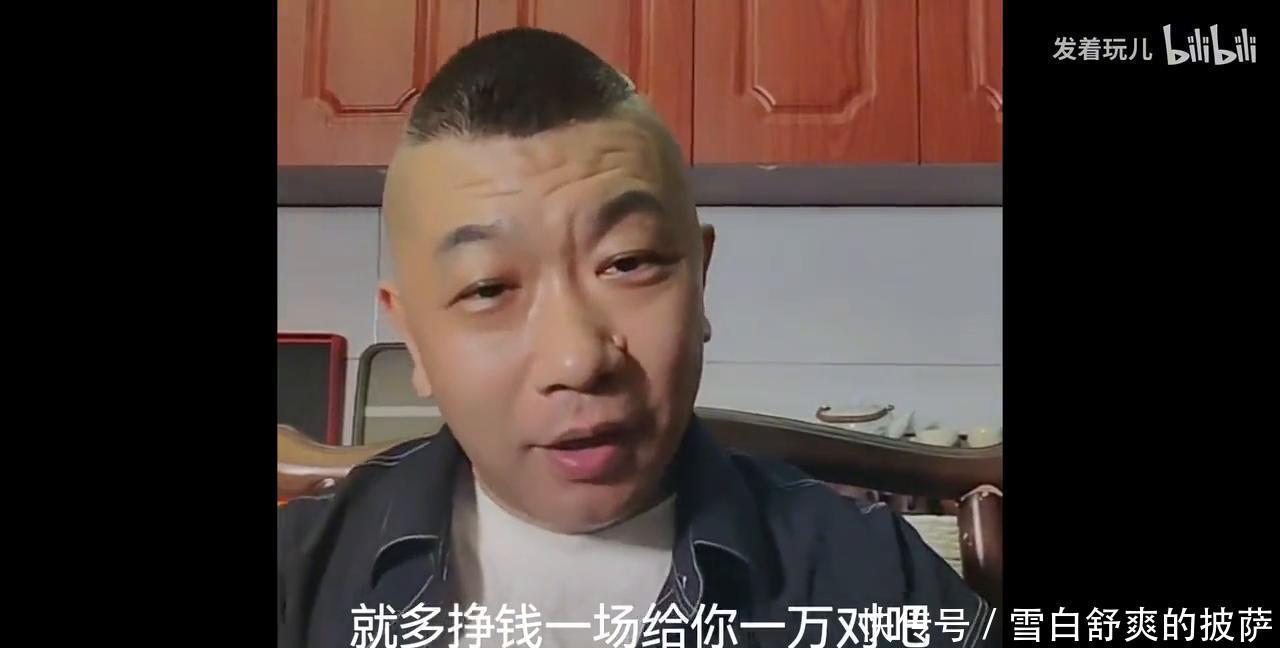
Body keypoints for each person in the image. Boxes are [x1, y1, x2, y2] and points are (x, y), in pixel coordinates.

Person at [278, 27, 1000, 648]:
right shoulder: (300, 582)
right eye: (489, 289)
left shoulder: (869, 582)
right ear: (412, 335)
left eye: (627, 263)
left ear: (700, 280)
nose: (578, 359)